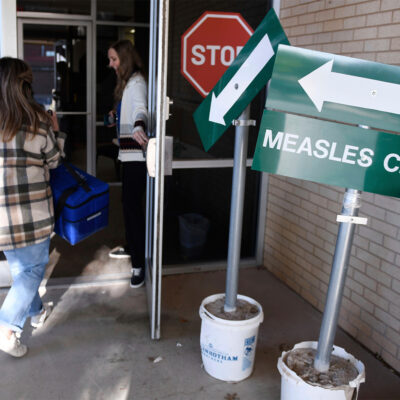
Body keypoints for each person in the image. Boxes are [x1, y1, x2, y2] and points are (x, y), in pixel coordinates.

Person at [0, 57, 66, 357]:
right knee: (32, 271)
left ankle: (37, 314)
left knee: (25, 272)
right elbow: (54, 161)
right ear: (25, 84)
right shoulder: (37, 119)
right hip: (34, 214)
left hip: (2, 217)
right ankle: (7, 328)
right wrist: (57, 131)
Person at [107, 40, 148, 288]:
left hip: (137, 159)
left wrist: (138, 125)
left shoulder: (138, 83)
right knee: (128, 206)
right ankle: (133, 248)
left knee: (133, 210)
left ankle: (139, 266)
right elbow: (131, 111)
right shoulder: (128, 84)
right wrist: (116, 116)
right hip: (128, 156)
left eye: (113, 59)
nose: (110, 64)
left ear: (124, 58)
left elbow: (142, 110)